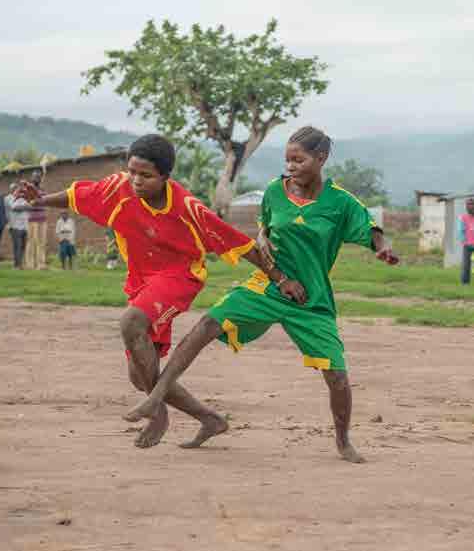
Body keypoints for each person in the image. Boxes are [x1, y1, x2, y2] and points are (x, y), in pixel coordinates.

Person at [123, 127, 400, 461]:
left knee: (337, 376)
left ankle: (343, 441)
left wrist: (382, 248)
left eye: (299, 159)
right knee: (207, 326)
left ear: (321, 159)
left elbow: (371, 230)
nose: (291, 166)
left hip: (310, 300)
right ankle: (157, 396)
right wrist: (269, 252)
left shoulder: (340, 202)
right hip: (267, 286)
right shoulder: (274, 191)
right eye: (288, 159)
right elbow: (264, 230)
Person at [35, 134, 271, 448]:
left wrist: (279, 277)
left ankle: (158, 414)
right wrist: (39, 200)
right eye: (132, 171)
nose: (135, 180)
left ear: (164, 177)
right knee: (140, 375)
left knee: (130, 322)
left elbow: (235, 240)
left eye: (145, 175)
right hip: (142, 282)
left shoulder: (187, 207)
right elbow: (78, 195)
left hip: (179, 276)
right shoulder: (118, 188)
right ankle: (209, 419)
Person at [25, 170, 48, 270]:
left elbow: (44, 201)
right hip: (32, 219)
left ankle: (41, 264)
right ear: (32, 178)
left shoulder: (43, 190)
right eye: (35, 177)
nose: (37, 179)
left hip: (42, 218)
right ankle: (30, 264)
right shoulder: (28, 190)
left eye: (38, 177)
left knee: (42, 242)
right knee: (31, 241)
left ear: (40, 179)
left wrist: (38, 200)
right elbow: (30, 203)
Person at [9, 188, 30, 269]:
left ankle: (20, 264)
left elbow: (30, 207)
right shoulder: (11, 199)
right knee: (17, 246)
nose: (20, 194)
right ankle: (17, 265)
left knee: (23, 247)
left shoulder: (24, 200)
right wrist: (24, 207)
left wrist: (23, 207)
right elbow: (14, 208)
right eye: (18, 192)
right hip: (16, 227)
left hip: (25, 227)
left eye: (21, 192)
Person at [457, 197, 474, 285]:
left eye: (472, 204)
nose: (470, 207)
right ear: (466, 207)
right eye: (468, 205)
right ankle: (465, 282)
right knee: (466, 265)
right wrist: (463, 241)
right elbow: (461, 230)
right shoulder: (463, 217)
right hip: (467, 245)